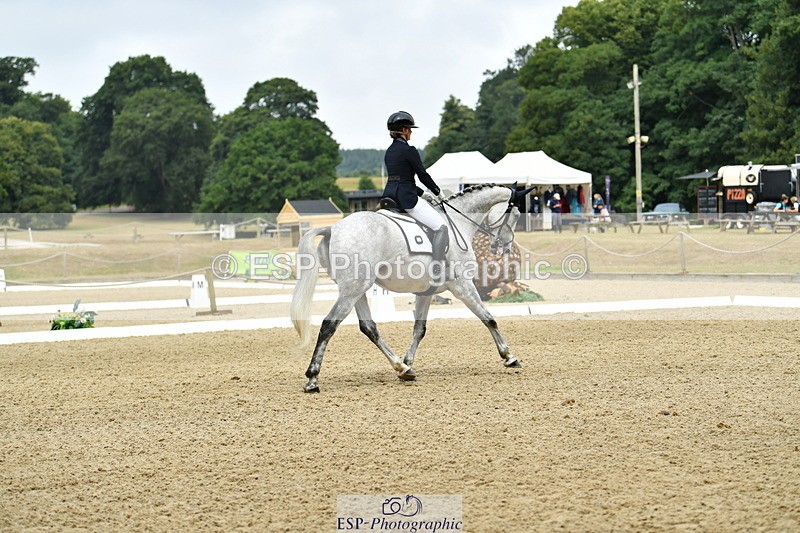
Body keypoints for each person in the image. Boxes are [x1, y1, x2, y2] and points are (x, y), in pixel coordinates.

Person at [382, 111, 449, 285]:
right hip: (406, 199)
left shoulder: (389, 152)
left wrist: (422, 193)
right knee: (441, 227)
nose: (411, 132)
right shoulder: (409, 150)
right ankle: (437, 270)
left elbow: (401, 178)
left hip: (389, 195)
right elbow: (422, 175)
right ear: (403, 130)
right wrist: (436, 191)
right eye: (410, 129)